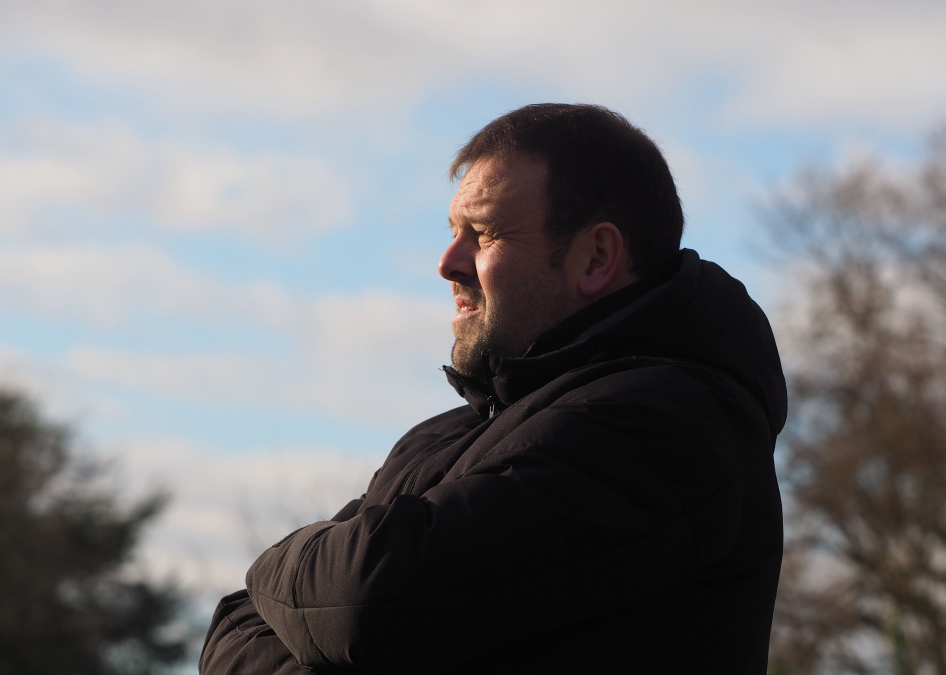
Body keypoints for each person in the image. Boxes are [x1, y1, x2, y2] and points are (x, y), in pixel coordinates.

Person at [200, 104, 786, 674]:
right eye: (453, 232)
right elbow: (234, 626)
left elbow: (364, 599)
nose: (448, 263)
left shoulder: (672, 423)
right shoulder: (440, 438)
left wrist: (276, 567)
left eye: (483, 233)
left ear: (596, 258)